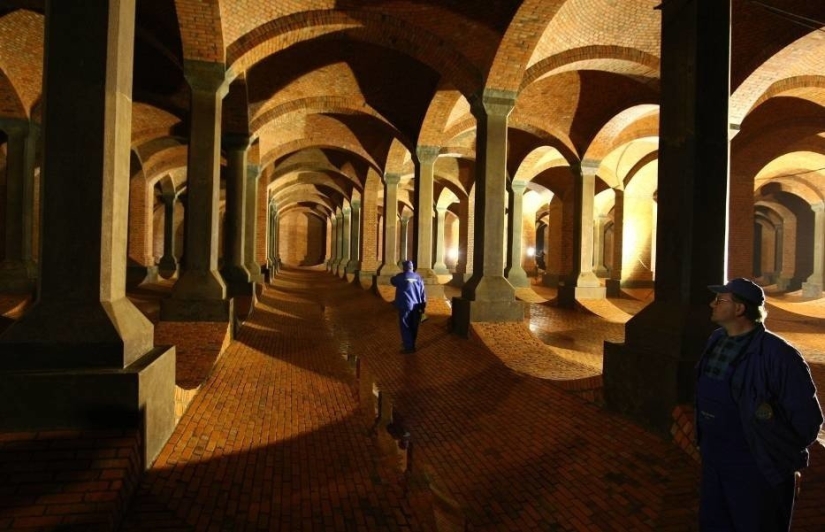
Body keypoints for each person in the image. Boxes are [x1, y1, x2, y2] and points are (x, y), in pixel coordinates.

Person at [696, 278, 823, 531]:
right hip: (715, 461)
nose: (712, 303)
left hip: (755, 468)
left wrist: (778, 459)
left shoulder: (779, 356)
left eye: (721, 300)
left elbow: (807, 422)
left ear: (740, 309)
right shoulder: (716, 340)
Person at [390, 260, 427, 354]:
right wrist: (423, 306)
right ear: (412, 267)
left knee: (405, 325)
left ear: (404, 267)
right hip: (417, 305)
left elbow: (392, 281)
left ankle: (409, 347)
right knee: (414, 326)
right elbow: (423, 293)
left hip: (405, 305)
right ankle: (411, 344)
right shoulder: (418, 277)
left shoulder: (400, 277)